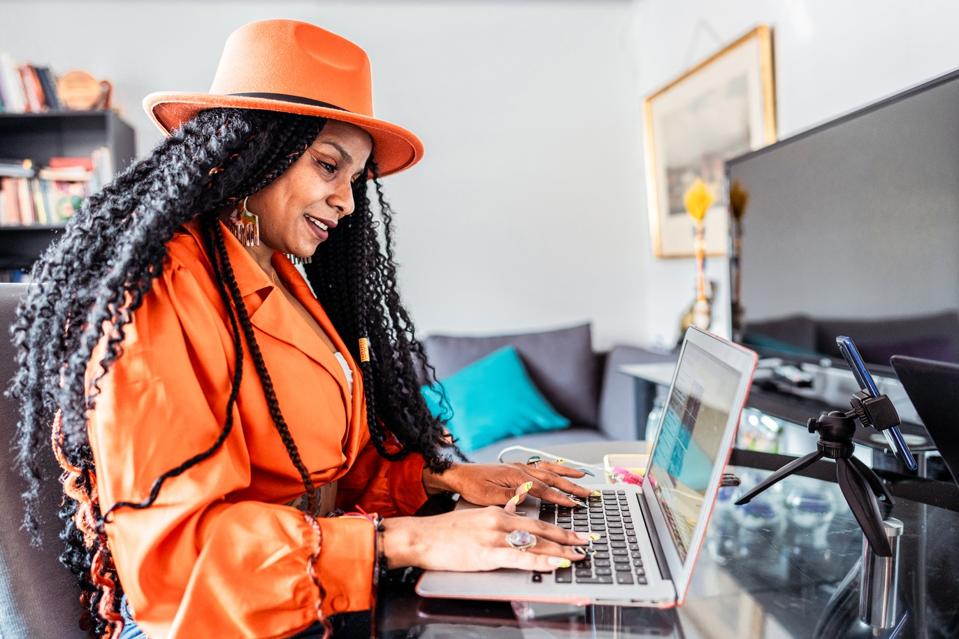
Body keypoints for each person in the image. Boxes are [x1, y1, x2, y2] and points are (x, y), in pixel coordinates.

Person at [10, 19, 592, 639]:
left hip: (305, 591)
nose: (345, 200)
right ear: (248, 151)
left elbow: (327, 474)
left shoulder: (278, 271)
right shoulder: (161, 290)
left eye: (354, 178)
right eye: (328, 165)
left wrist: (440, 478)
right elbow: (178, 564)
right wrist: (410, 539)